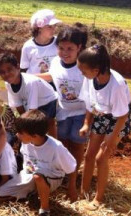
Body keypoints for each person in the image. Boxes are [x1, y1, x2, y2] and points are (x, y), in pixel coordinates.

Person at [0, 110, 76, 216]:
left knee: (38, 176)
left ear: (34, 136)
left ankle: (44, 211)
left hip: (51, 177)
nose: (17, 135)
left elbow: (72, 167)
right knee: (0, 193)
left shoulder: (56, 147)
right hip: (30, 175)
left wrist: (71, 189)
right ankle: (31, 192)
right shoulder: (26, 142)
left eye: (20, 132)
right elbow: (27, 165)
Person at [37, 24, 89, 201]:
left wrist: (88, 120)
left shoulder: (83, 67)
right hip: (63, 112)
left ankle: (72, 184)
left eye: (70, 49)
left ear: (79, 48)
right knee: (64, 145)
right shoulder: (55, 63)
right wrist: (27, 77)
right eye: (61, 48)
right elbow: (51, 76)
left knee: (77, 145)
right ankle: (64, 176)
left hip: (81, 113)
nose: (65, 52)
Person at [78, 44, 131, 210]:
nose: (81, 74)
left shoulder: (117, 85)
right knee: (89, 156)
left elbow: (123, 115)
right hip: (102, 116)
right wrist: (87, 123)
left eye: (83, 71)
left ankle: (98, 199)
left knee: (101, 158)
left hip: (118, 120)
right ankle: (83, 192)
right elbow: (90, 103)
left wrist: (111, 138)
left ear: (96, 70)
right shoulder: (91, 79)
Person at [0, 52, 58, 137]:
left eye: (9, 69)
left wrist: (25, 125)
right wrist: (24, 124)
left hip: (49, 100)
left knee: (47, 124)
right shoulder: (8, 84)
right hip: (32, 103)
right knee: (30, 127)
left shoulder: (30, 82)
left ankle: (53, 145)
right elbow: (19, 107)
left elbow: (32, 111)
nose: (6, 74)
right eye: (2, 72)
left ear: (17, 67)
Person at [20, 9, 61, 74]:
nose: (53, 29)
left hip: (53, 83)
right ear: (39, 28)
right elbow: (24, 69)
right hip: (34, 83)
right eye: (49, 27)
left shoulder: (59, 43)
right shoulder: (28, 46)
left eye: (54, 26)